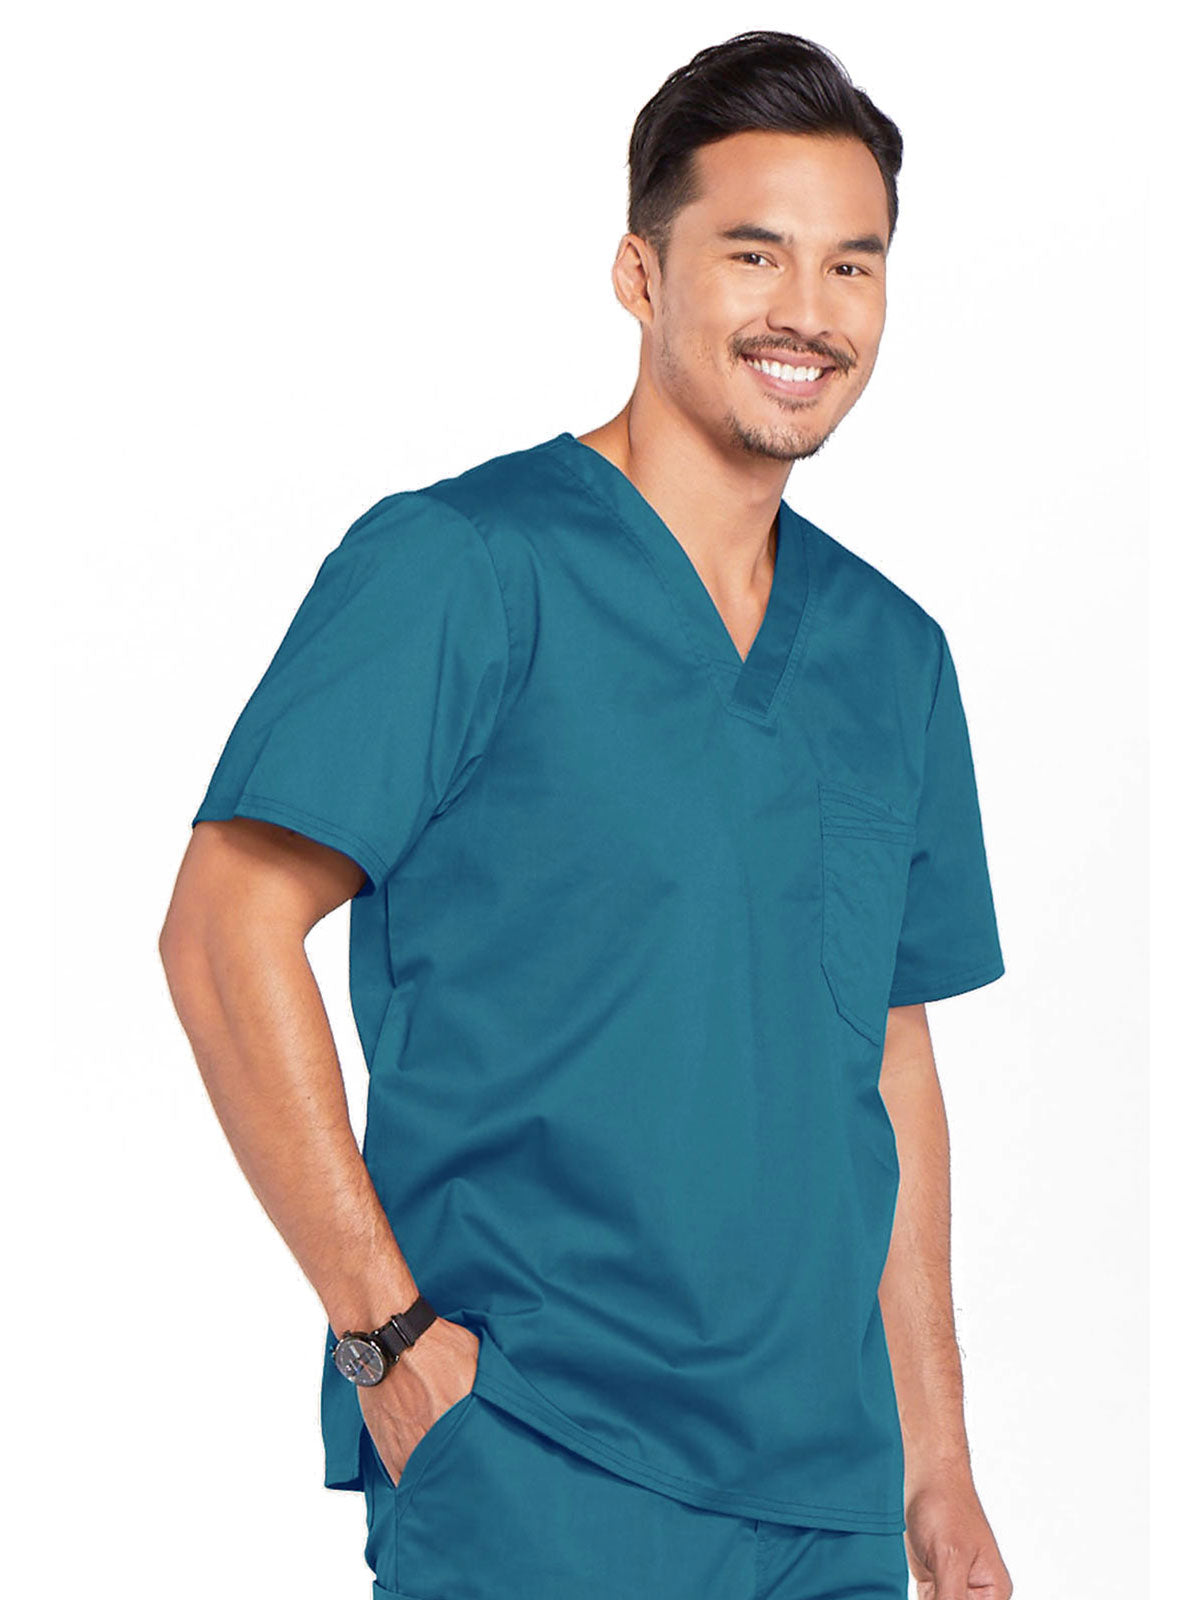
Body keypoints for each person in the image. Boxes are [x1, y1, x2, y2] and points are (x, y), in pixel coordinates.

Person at [160, 28, 1015, 1600]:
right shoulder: (465, 567)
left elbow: (888, 1058)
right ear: (639, 273)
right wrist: (385, 1339)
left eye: (852, 265)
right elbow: (224, 927)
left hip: (830, 1504)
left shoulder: (894, 658)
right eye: (753, 254)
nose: (808, 311)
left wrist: (938, 1469)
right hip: (541, 1462)